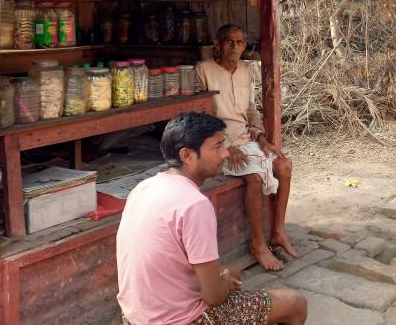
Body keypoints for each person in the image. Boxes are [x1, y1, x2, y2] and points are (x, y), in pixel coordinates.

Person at [116, 112, 307, 325]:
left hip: (134, 317)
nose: (225, 153)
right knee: (294, 303)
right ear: (187, 156)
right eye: (217, 146)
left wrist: (223, 275)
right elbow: (213, 297)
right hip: (185, 321)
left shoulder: (143, 188)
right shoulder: (194, 204)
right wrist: (226, 281)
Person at [195, 25, 296, 272]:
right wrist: (225, 146)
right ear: (217, 44)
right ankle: (258, 244)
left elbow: (250, 108)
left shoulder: (247, 70)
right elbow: (201, 115)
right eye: (229, 42)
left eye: (240, 42)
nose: (235, 47)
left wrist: (261, 136)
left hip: (245, 137)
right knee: (252, 177)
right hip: (216, 144)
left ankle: (278, 231)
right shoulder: (203, 69)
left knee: (284, 164)